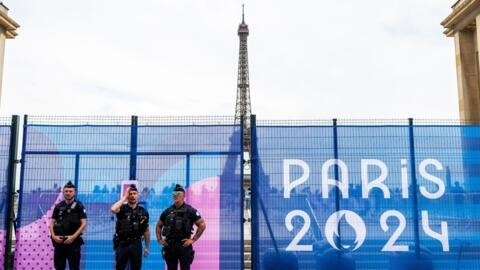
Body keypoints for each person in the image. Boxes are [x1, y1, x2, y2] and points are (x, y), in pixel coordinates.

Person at [156, 184, 207, 270]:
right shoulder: (167, 211)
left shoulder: (190, 211)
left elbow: (202, 225)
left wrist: (193, 239)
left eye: (178, 193)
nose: (176, 195)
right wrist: (159, 239)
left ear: (183, 196)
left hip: (184, 245)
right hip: (170, 245)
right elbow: (158, 225)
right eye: (174, 194)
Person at [49, 181, 87, 270]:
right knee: (59, 267)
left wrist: (73, 237)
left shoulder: (79, 206)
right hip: (59, 242)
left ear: (74, 192)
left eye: (70, 191)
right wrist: (54, 237)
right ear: (63, 192)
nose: (68, 193)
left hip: (73, 242)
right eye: (66, 191)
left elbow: (84, 223)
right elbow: (51, 223)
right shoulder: (58, 206)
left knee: (74, 267)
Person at [111, 184, 150, 270]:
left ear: (138, 195)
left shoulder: (143, 211)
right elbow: (113, 209)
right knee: (119, 267)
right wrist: (124, 197)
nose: (132, 196)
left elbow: (146, 231)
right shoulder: (122, 208)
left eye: (134, 193)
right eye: (130, 194)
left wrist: (147, 247)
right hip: (122, 243)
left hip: (136, 243)